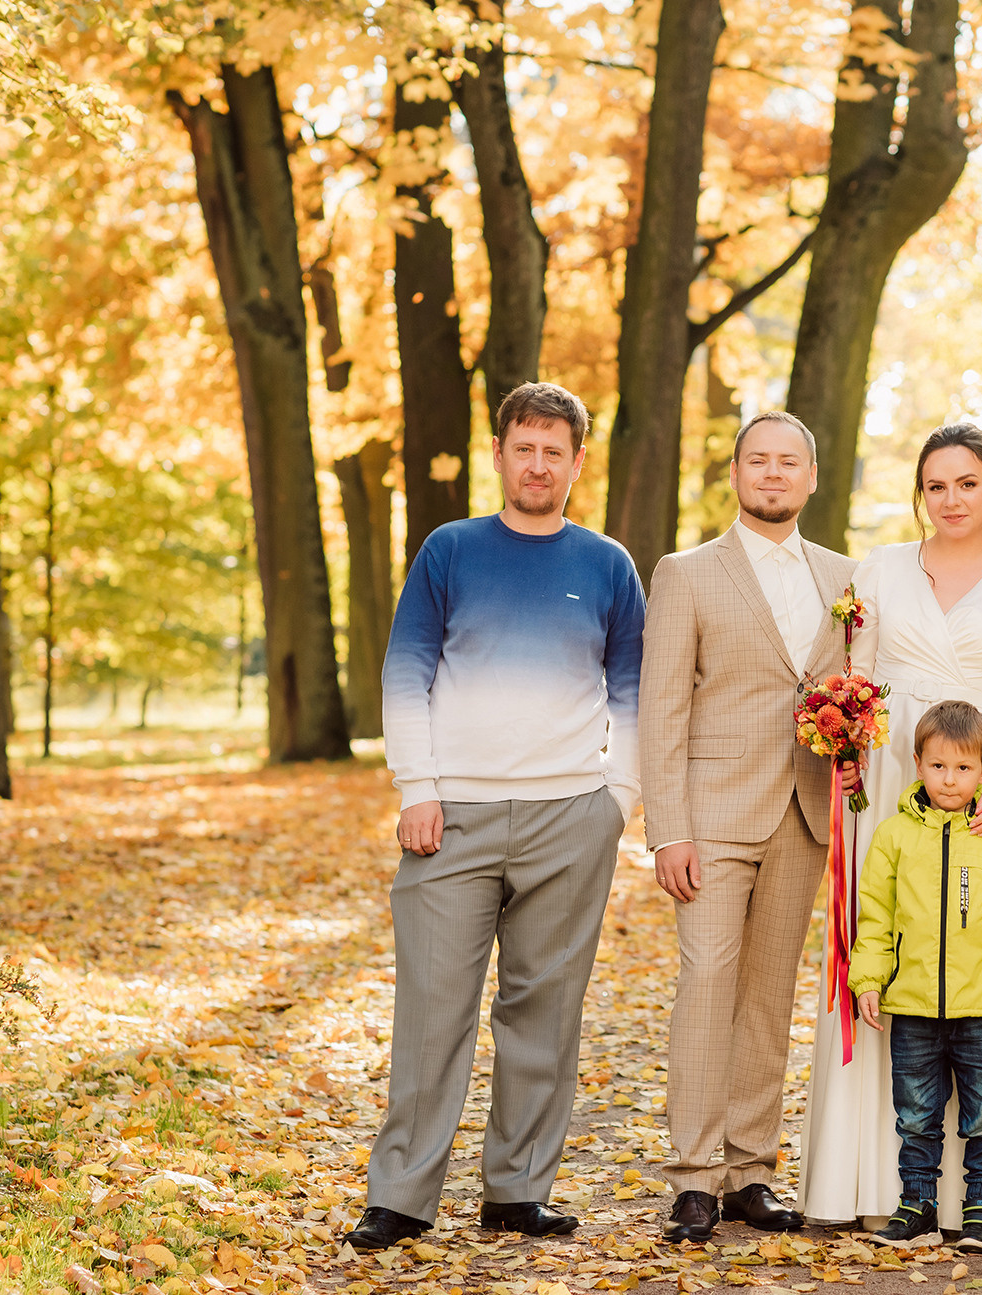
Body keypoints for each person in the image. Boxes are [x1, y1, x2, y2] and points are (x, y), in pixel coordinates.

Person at [345, 382, 645, 1250]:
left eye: (556, 450)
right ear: (503, 454)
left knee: (544, 1010)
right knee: (435, 1006)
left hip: (569, 816)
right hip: (455, 816)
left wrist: (615, 803)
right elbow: (406, 674)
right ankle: (401, 1194)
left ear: (577, 463)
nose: (539, 463)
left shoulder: (607, 564)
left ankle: (517, 1190)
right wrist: (418, 788)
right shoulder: (450, 551)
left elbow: (631, 695)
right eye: (525, 447)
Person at [801, 423, 982, 1238]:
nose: (952, 499)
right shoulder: (877, 568)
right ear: (923, 492)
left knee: (980, 934)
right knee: (884, 929)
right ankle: (871, 1179)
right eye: (937, 485)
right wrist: (845, 748)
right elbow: (855, 671)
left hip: (981, 771)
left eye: (968, 484)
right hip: (888, 775)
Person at [640, 411, 859, 1243]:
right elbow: (661, 704)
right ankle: (693, 1176)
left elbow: (853, 694)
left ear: (810, 478)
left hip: (803, 814)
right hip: (713, 813)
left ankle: (749, 1169)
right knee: (707, 983)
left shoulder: (843, 577)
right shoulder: (687, 572)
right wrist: (668, 828)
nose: (772, 474)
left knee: (769, 996)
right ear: (736, 475)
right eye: (757, 461)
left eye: (788, 462)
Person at [848, 701, 982, 1254]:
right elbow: (876, 918)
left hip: (981, 1004)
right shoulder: (892, 837)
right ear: (917, 764)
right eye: (938, 767)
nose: (950, 779)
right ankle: (917, 1205)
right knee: (915, 1114)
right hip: (910, 1005)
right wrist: (867, 981)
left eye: (963, 769)